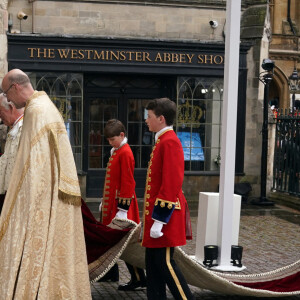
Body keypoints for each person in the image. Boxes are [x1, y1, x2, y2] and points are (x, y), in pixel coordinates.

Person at [0, 69, 91, 299]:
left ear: (15, 87)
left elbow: (34, 168)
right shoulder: (45, 106)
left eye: (6, 93)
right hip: (53, 195)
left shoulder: (37, 112)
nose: (8, 100)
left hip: (40, 199)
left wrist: (23, 206)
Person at [142, 97, 194, 300]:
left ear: (161, 118)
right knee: (153, 267)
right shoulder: (162, 141)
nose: (147, 120)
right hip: (158, 217)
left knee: (165, 264)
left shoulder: (170, 142)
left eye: (149, 116)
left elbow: (171, 183)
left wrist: (159, 220)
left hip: (165, 217)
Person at [100, 119, 146, 290]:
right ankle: (113, 273)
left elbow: (127, 183)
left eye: (112, 139)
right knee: (116, 242)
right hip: (114, 204)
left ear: (122, 135)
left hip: (122, 207)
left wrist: (123, 210)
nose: (110, 143)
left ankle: (139, 279)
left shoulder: (125, 152)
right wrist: (105, 202)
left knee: (127, 244)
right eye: (108, 140)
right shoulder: (118, 151)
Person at [0, 93, 24, 214]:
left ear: (11, 108)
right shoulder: (15, 127)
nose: (0, 117)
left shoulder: (24, 128)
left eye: (0, 111)